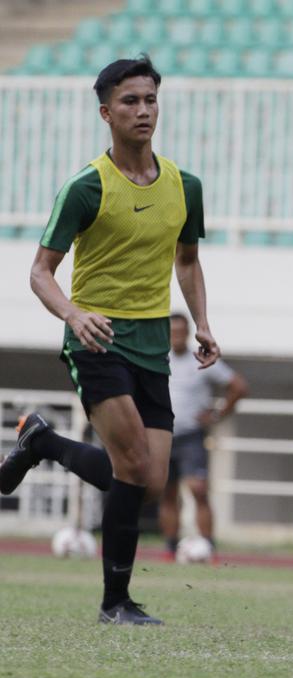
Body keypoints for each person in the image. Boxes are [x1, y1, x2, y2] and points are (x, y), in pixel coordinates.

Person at [0, 55, 218, 626]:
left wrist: (202, 324)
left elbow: (188, 261)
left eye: (150, 100)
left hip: (152, 343)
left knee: (148, 481)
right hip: (96, 338)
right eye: (130, 101)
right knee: (132, 463)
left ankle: (42, 444)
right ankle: (115, 602)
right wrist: (73, 315)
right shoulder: (86, 187)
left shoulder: (184, 186)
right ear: (106, 112)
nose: (143, 110)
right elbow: (40, 271)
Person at [159, 313, 248, 561]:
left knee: (198, 489)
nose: (176, 336)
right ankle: (169, 548)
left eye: (180, 331)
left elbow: (239, 386)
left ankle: (208, 546)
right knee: (167, 492)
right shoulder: (157, 358)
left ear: (188, 333)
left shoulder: (201, 359)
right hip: (163, 435)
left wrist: (218, 414)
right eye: (172, 331)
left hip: (191, 436)